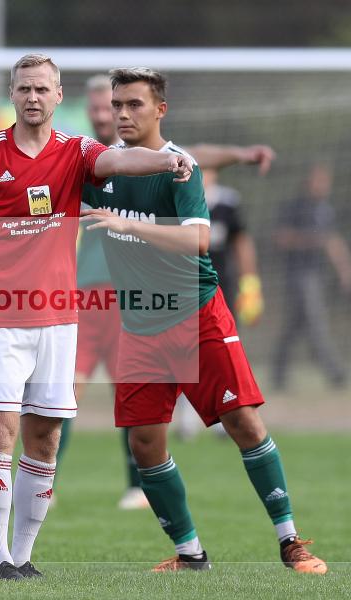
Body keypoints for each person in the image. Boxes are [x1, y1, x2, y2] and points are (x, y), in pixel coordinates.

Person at [0, 53, 194, 581]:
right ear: (12, 92)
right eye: (24, 88)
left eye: (42, 89)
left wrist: (165, 160)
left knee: (44, 438)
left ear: (58, 95)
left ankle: (23, 556)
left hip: (58, 321)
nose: (32, 97)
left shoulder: (74, 152)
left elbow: (118, 161)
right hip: (0, 320)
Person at [82, 67, 327, 575]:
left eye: (134, 105)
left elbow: (197, 238)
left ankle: (290, 541)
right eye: (117, 105)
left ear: (159, 110)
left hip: (197, 316)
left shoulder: (179, 168)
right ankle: (191, 554)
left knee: (243, 422)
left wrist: (125, 224)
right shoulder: (97, 170)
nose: (123, 114)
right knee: (145, 442)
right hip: (140, 324)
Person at [66, 75, 275, 508]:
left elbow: (191, 158)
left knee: (141, 397)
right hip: (94, 297)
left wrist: (242, 155)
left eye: (120, 106)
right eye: (104, 107)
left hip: (161, 302)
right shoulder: (87, 159)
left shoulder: (163, 157)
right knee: (69, 390)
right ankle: (46, 485)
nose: (111, 114)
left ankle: (136, 485)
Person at [175, 167, 264, 439]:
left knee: (223, 354)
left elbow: (242, 242)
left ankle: (226, 417)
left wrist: (251, 284)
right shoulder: (177, 198)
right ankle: (187, 420)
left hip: (219, 291)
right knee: (184, 355)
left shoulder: (227, 203)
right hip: (182, 290)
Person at [271, 163, 351, 390]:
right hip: (298, 275)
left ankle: (278, 374)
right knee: (316, 323)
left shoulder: (325, 210)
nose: (324, 186)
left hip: (316, 274)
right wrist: (309, 240)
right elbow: (281, 238)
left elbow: (332, 240)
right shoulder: (294, 207)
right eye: (319, 181)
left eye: (326, 182)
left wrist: (346, 269)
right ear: (308, 182)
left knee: (294, 327)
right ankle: (336, 373)